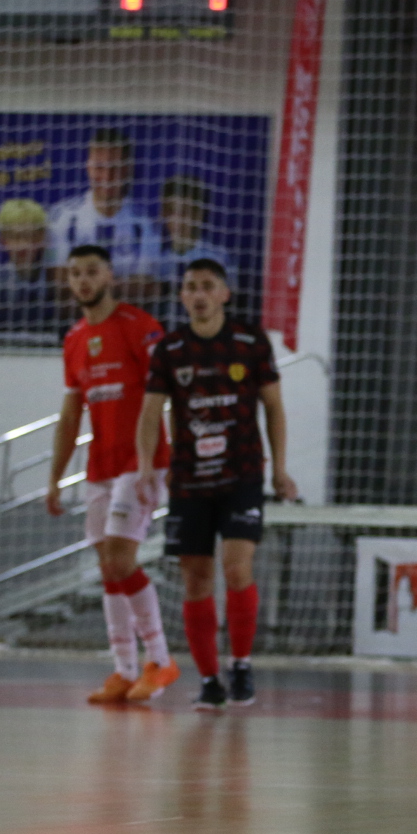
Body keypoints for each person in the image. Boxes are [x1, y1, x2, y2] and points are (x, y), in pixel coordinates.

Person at [136, 259, 298, 713]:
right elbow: (150, 414)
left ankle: (241, 664)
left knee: (237, 566)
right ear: (182, 296)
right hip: (190, 479)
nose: (199, 294)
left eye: (208, 286)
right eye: (190, 287)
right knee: (196, 577)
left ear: (225, 294)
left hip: (242, 474)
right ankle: (209, 680)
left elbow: (274, 408)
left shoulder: (250, 342)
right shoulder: (170, 349)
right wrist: (147, 467)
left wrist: (280, 468)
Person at [47, 245, 178, 704]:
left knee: (122, 560)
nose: (83, 280)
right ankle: (123, 669)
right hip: (99, 466)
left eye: (91, 272)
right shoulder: (74, 339)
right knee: (107, 567)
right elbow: (70, 415)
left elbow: (169, 395)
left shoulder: (140, 327)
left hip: (141, 463)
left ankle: (160, 660)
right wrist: (55, 478)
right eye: (75, 273)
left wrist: (170, 459)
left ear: (110, 276)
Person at [46, 127, 165, 302]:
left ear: (127, 170)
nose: (107, 176)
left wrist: (87, 285)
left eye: (115, 168)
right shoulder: (62, 217)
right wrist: (121, 285)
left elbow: (148, 289)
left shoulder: (145, 223)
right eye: (100, 167)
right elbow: (59, 287)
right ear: (88, 167)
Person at [0, 198, 66, 338]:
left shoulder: (57, 281)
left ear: (42, 238)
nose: (23, 244)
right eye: (15, 237)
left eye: (29, 236)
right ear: (3, 241)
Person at [156, 176, 232, 316]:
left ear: (198, 214)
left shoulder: (217, 257)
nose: (177, 219)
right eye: (171, 210)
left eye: (185, 211)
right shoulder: (156, 258)